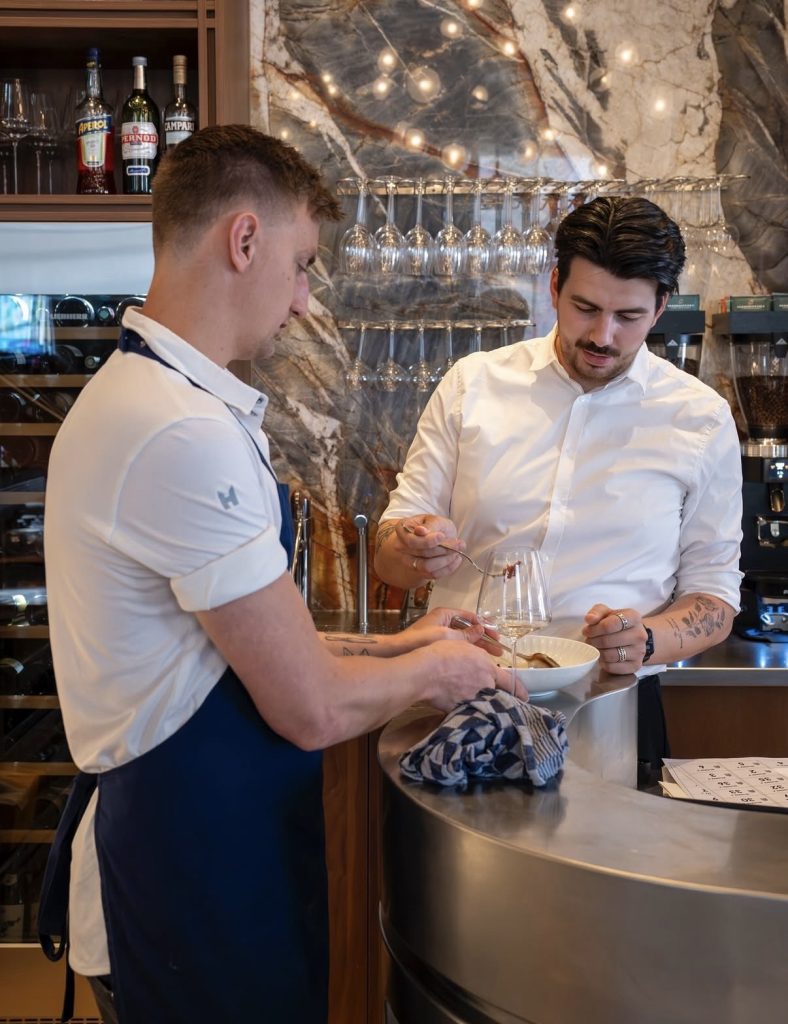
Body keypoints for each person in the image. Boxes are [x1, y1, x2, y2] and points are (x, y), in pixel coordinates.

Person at [39, 125, 516, 1024]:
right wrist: (441, 671)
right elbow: (309, 708)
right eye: (301, 265)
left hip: (212, 849)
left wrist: (394, 642)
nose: (303, 302)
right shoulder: (177, 432)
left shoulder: (155, 399)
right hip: (187, 871)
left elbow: (226, 644)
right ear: (244, 240)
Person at [374, 194, 743, 787]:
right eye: (586, 308)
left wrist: (647, 639)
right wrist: (414, 545)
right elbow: (390, 552)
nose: (602, 335)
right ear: (553, 286)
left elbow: (715, 597)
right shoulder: (474, 385)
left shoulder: (699, 417)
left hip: (611, 712)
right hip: (461, 699)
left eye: (628, 317)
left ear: (662, 307)